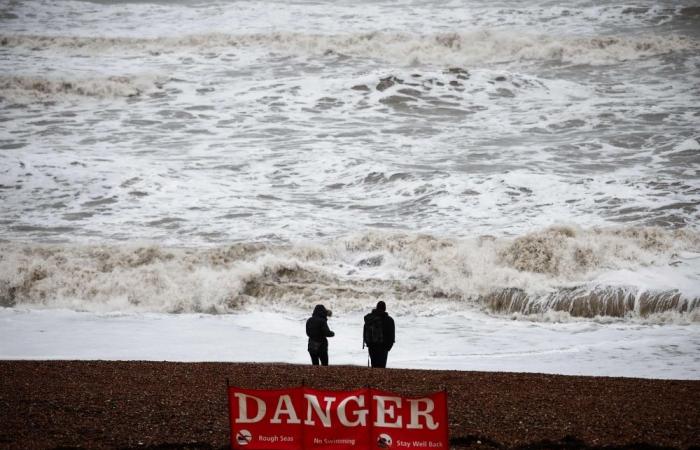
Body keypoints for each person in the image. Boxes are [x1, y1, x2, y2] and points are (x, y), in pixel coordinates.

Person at [363, 301, 395, 368]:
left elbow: (365, 331)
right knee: (381, 368)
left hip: (372, 346)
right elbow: (392, 336)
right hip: (383, 347)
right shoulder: (389, 320)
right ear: (385, 308)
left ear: (376, 307)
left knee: (374, 366)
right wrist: (388, 347)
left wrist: (368, 343)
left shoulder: (370, 318)